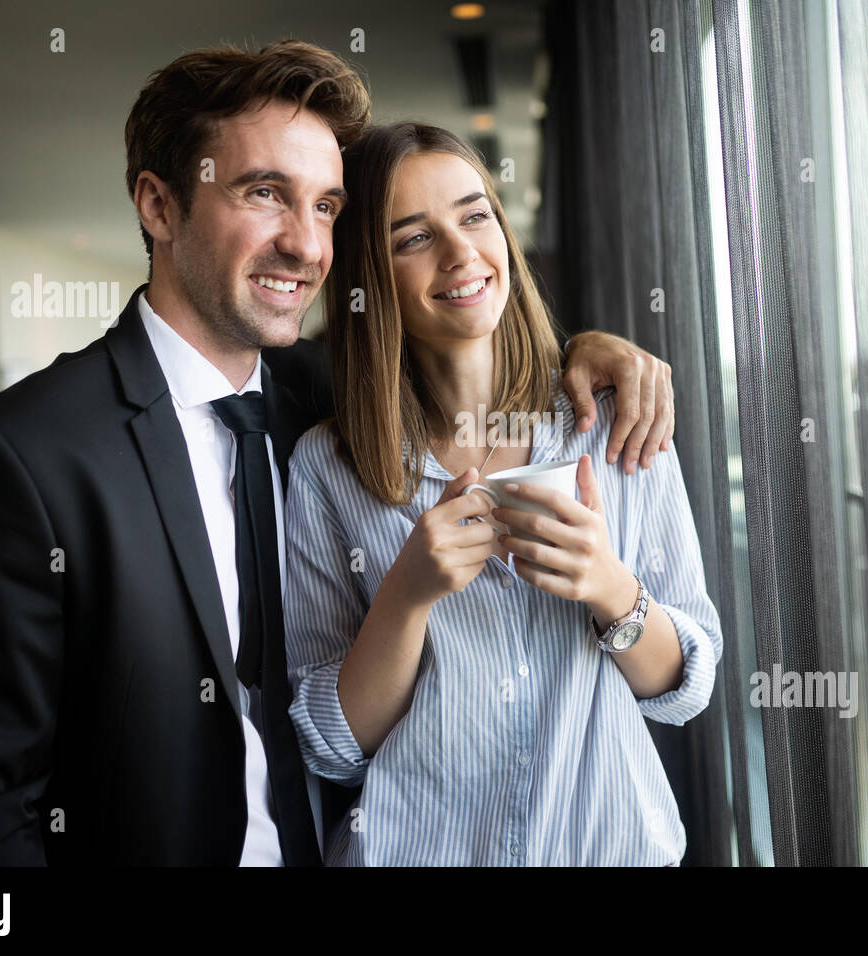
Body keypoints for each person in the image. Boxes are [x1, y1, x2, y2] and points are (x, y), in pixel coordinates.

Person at [0, 41, 677, 866]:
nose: (306, 245)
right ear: (158, 205)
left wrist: (593, 352)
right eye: (264, 194)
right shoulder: (16, 457)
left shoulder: (321, 400)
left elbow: (458, 342)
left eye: (327, 207)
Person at [285, 123, 722, 866]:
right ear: (369, 277)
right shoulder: (329, 467)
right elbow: (332, 744)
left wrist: (610, 588)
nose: (461, 254)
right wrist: (407, 595)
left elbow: (687, 686)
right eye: (413, 238)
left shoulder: (615, 422)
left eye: (475, 214)